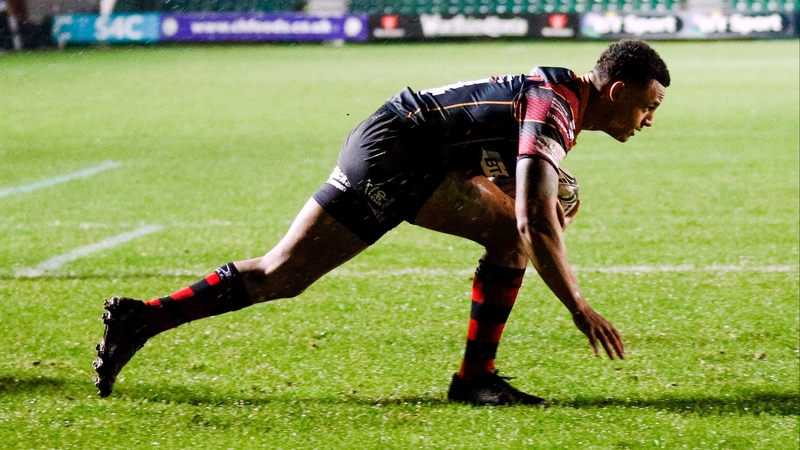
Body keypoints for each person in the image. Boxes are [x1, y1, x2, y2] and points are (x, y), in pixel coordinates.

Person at [93, 39, 670, 405]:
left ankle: (140, 319)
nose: (648, 120)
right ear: (617, 91)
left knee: (285, 272)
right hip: (396, 154)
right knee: (284, 274)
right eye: (649, 106)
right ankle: (143, 319)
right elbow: (535, 221)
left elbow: (486, 153)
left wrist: (518, 197)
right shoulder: (555, 109)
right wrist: (578, 306)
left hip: (412, 148)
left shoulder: (559, 95)